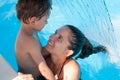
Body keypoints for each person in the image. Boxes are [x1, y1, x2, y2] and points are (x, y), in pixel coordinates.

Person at [14, 25, 107, 80]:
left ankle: (102, 48)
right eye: (55, 33)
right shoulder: (44, 53)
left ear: (68, 52)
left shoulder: (71, 68)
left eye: (59, 38)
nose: (51, 37)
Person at [15, 0, 56, 80]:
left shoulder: (31, 31)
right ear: (33, 21)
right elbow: (44, 70)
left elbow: (38, 52)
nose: (46, 23)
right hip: (33, 77)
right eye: (45, 20)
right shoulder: (29, 41)